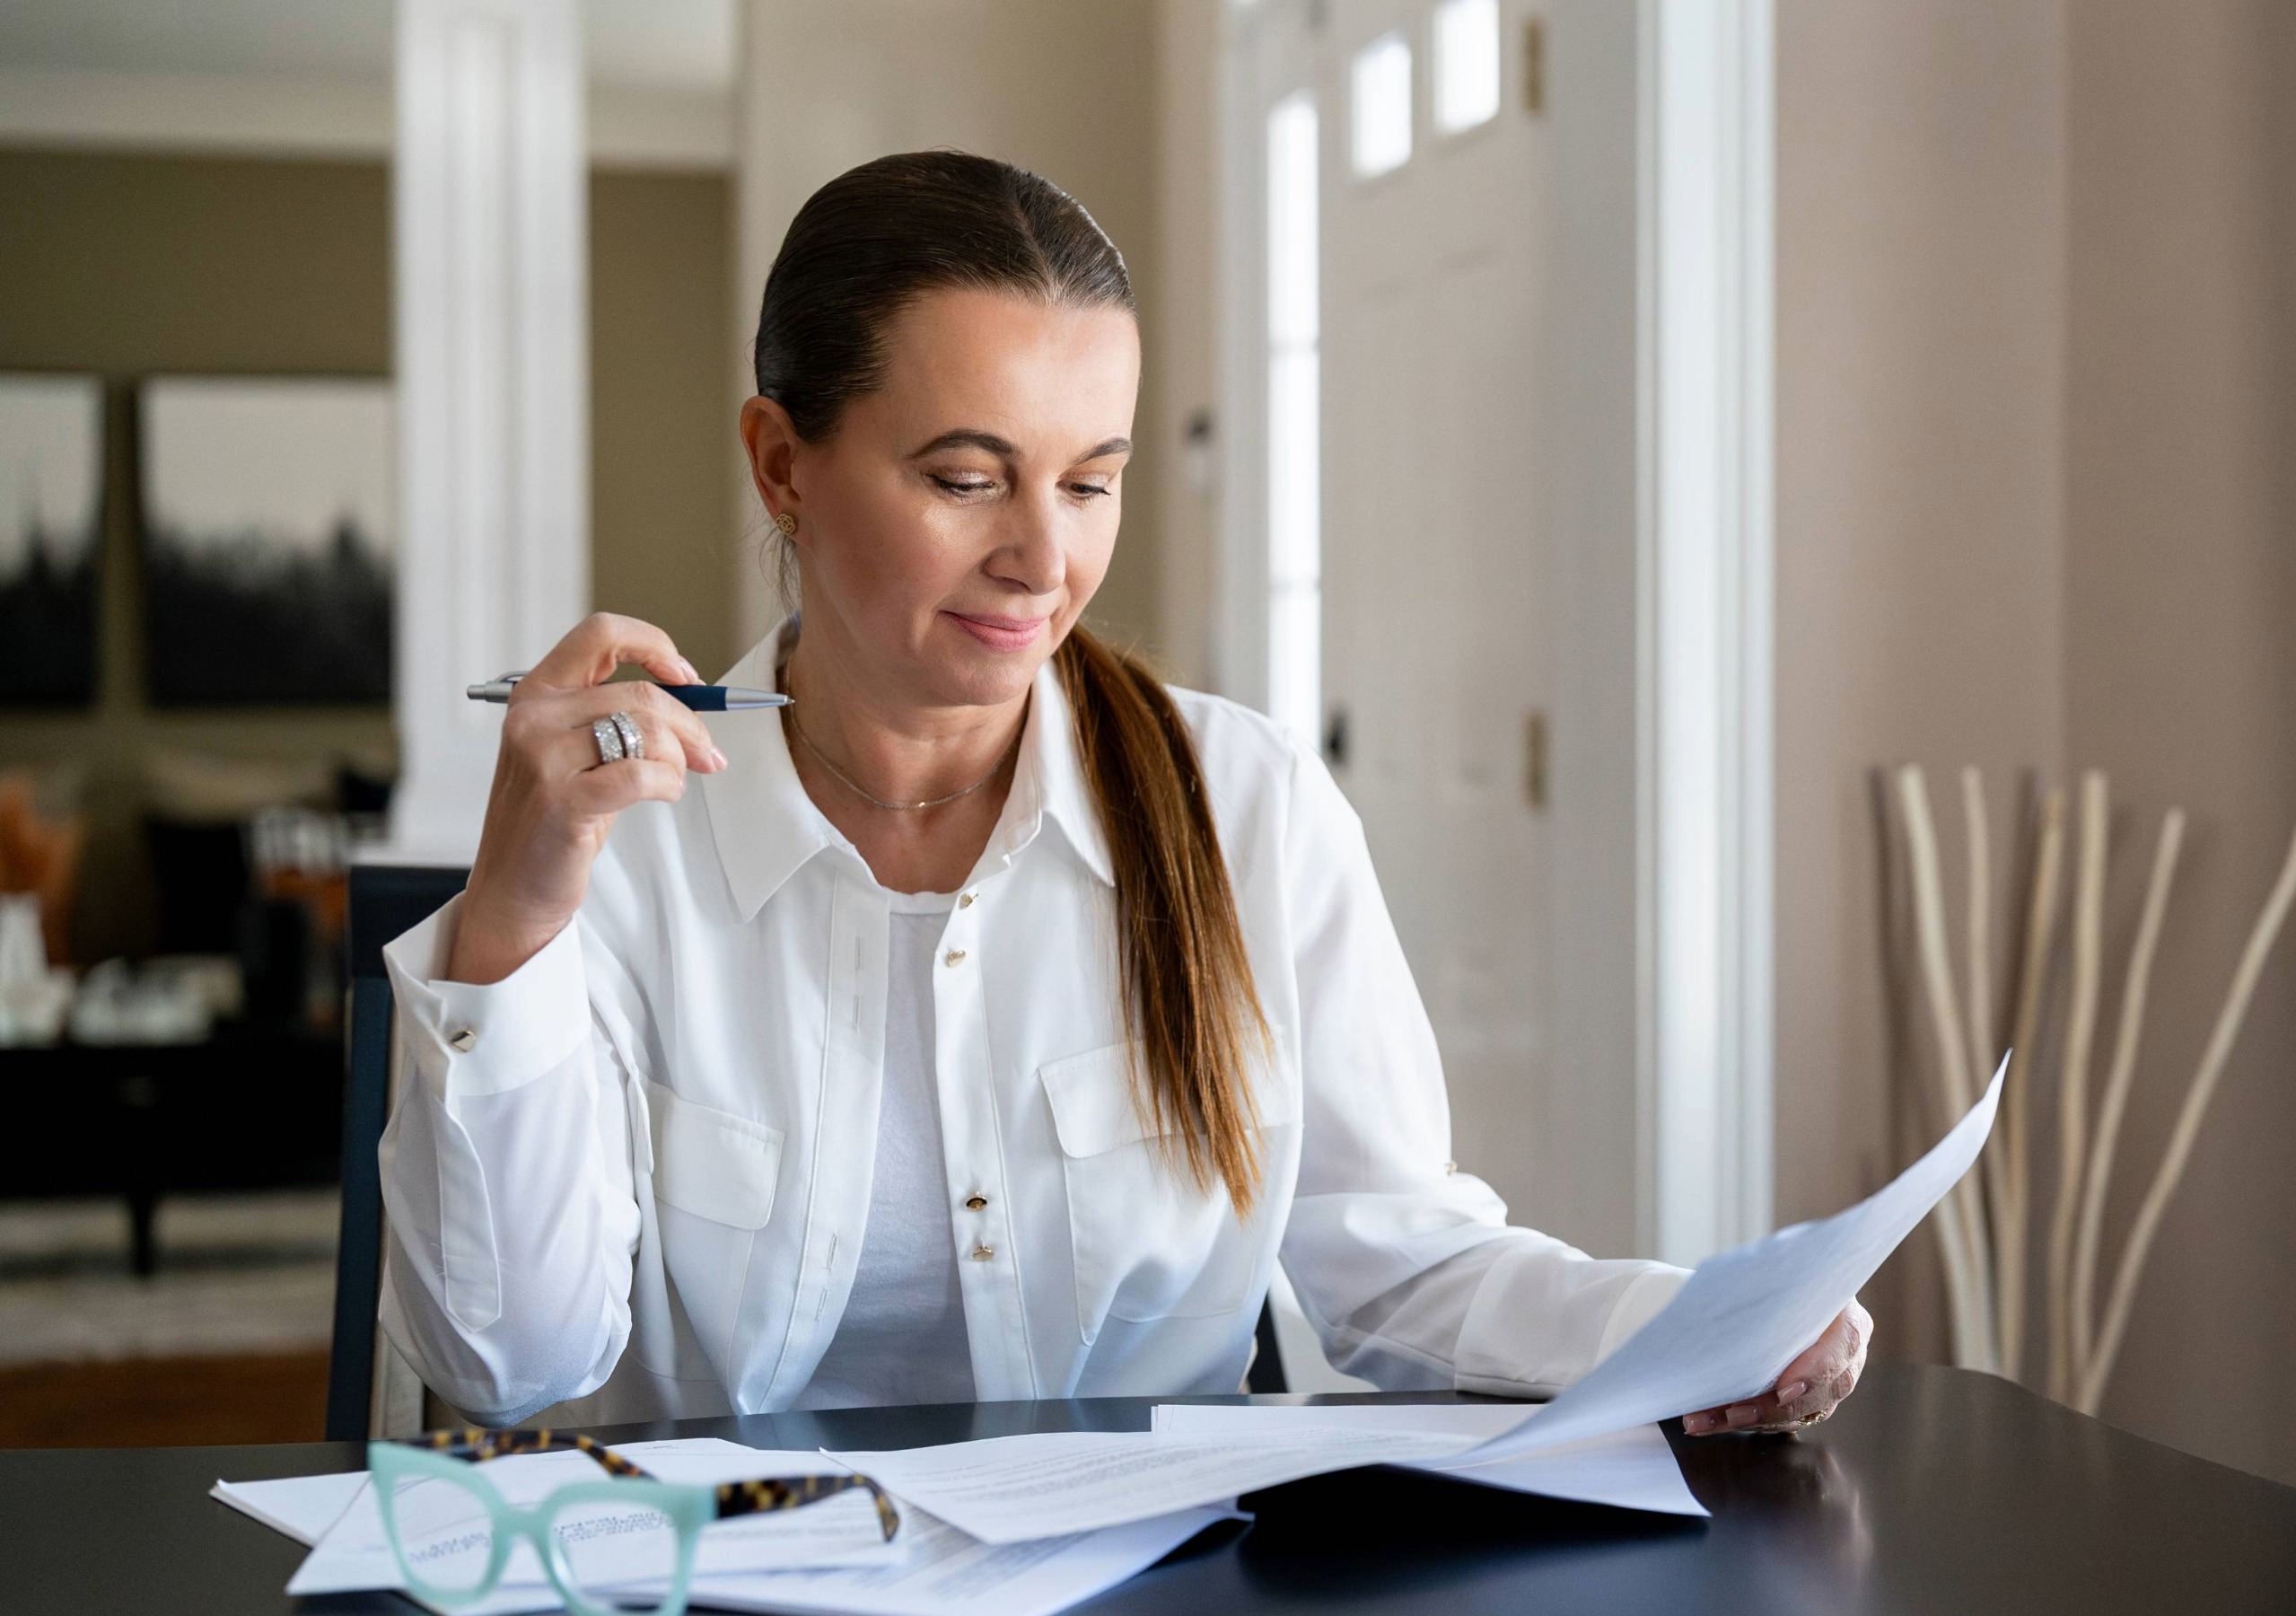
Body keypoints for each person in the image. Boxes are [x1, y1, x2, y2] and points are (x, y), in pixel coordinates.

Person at [377, 150, 1867, 1435]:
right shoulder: (626, 853)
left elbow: (1401, 1263)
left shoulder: (1250, 810)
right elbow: (510, 1367)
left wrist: (1695, 1328)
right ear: (783, 464)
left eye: (1089, 481)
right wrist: (512, 912)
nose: (1046, 559)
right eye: (968, 478)